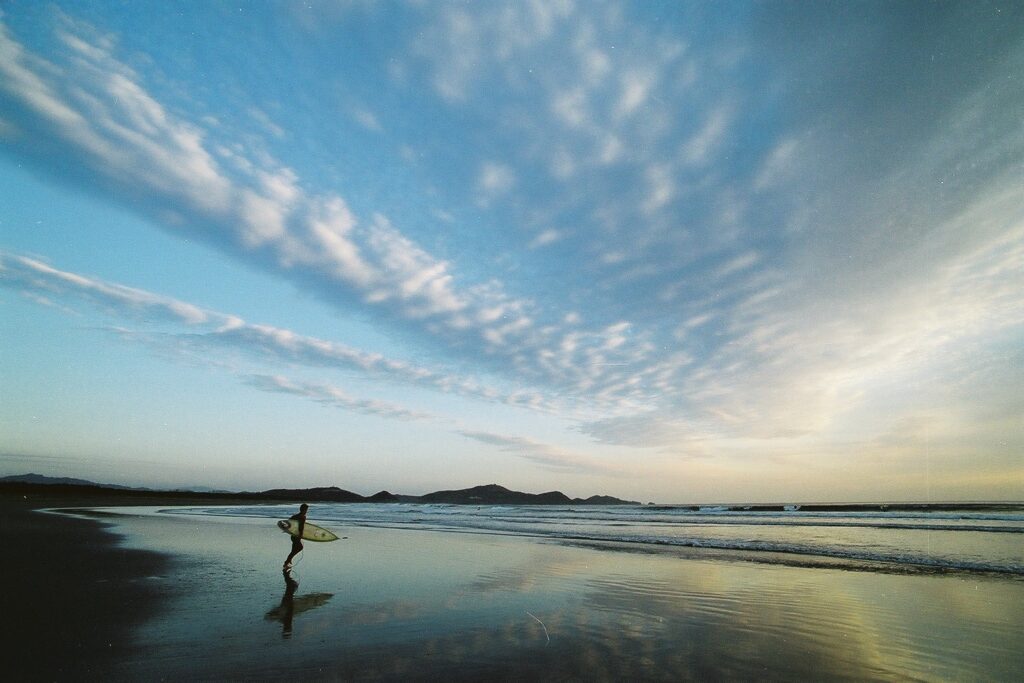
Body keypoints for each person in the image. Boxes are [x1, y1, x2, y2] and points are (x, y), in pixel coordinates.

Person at [283, 503, 308, 569]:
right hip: (297, 535)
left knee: (294, 549)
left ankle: (288, 561)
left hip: (293, 535)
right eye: (306, 510)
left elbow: (288, 522)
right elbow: (301, 527)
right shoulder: (303, 517)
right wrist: (301, 535)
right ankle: (287, 561)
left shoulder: (295, 516)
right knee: (300, 547)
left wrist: (287, 529)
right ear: (304, 510)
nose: (306, 511)